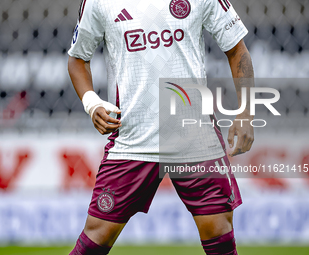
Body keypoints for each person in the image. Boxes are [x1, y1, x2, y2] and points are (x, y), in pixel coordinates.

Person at [67, 0, 254, 254]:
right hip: (133, 139)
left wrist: (246, 112)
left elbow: (237, 49)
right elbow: (78, 58)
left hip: (194, 137)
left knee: (218, 229)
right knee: (96, 236)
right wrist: (91, 102)